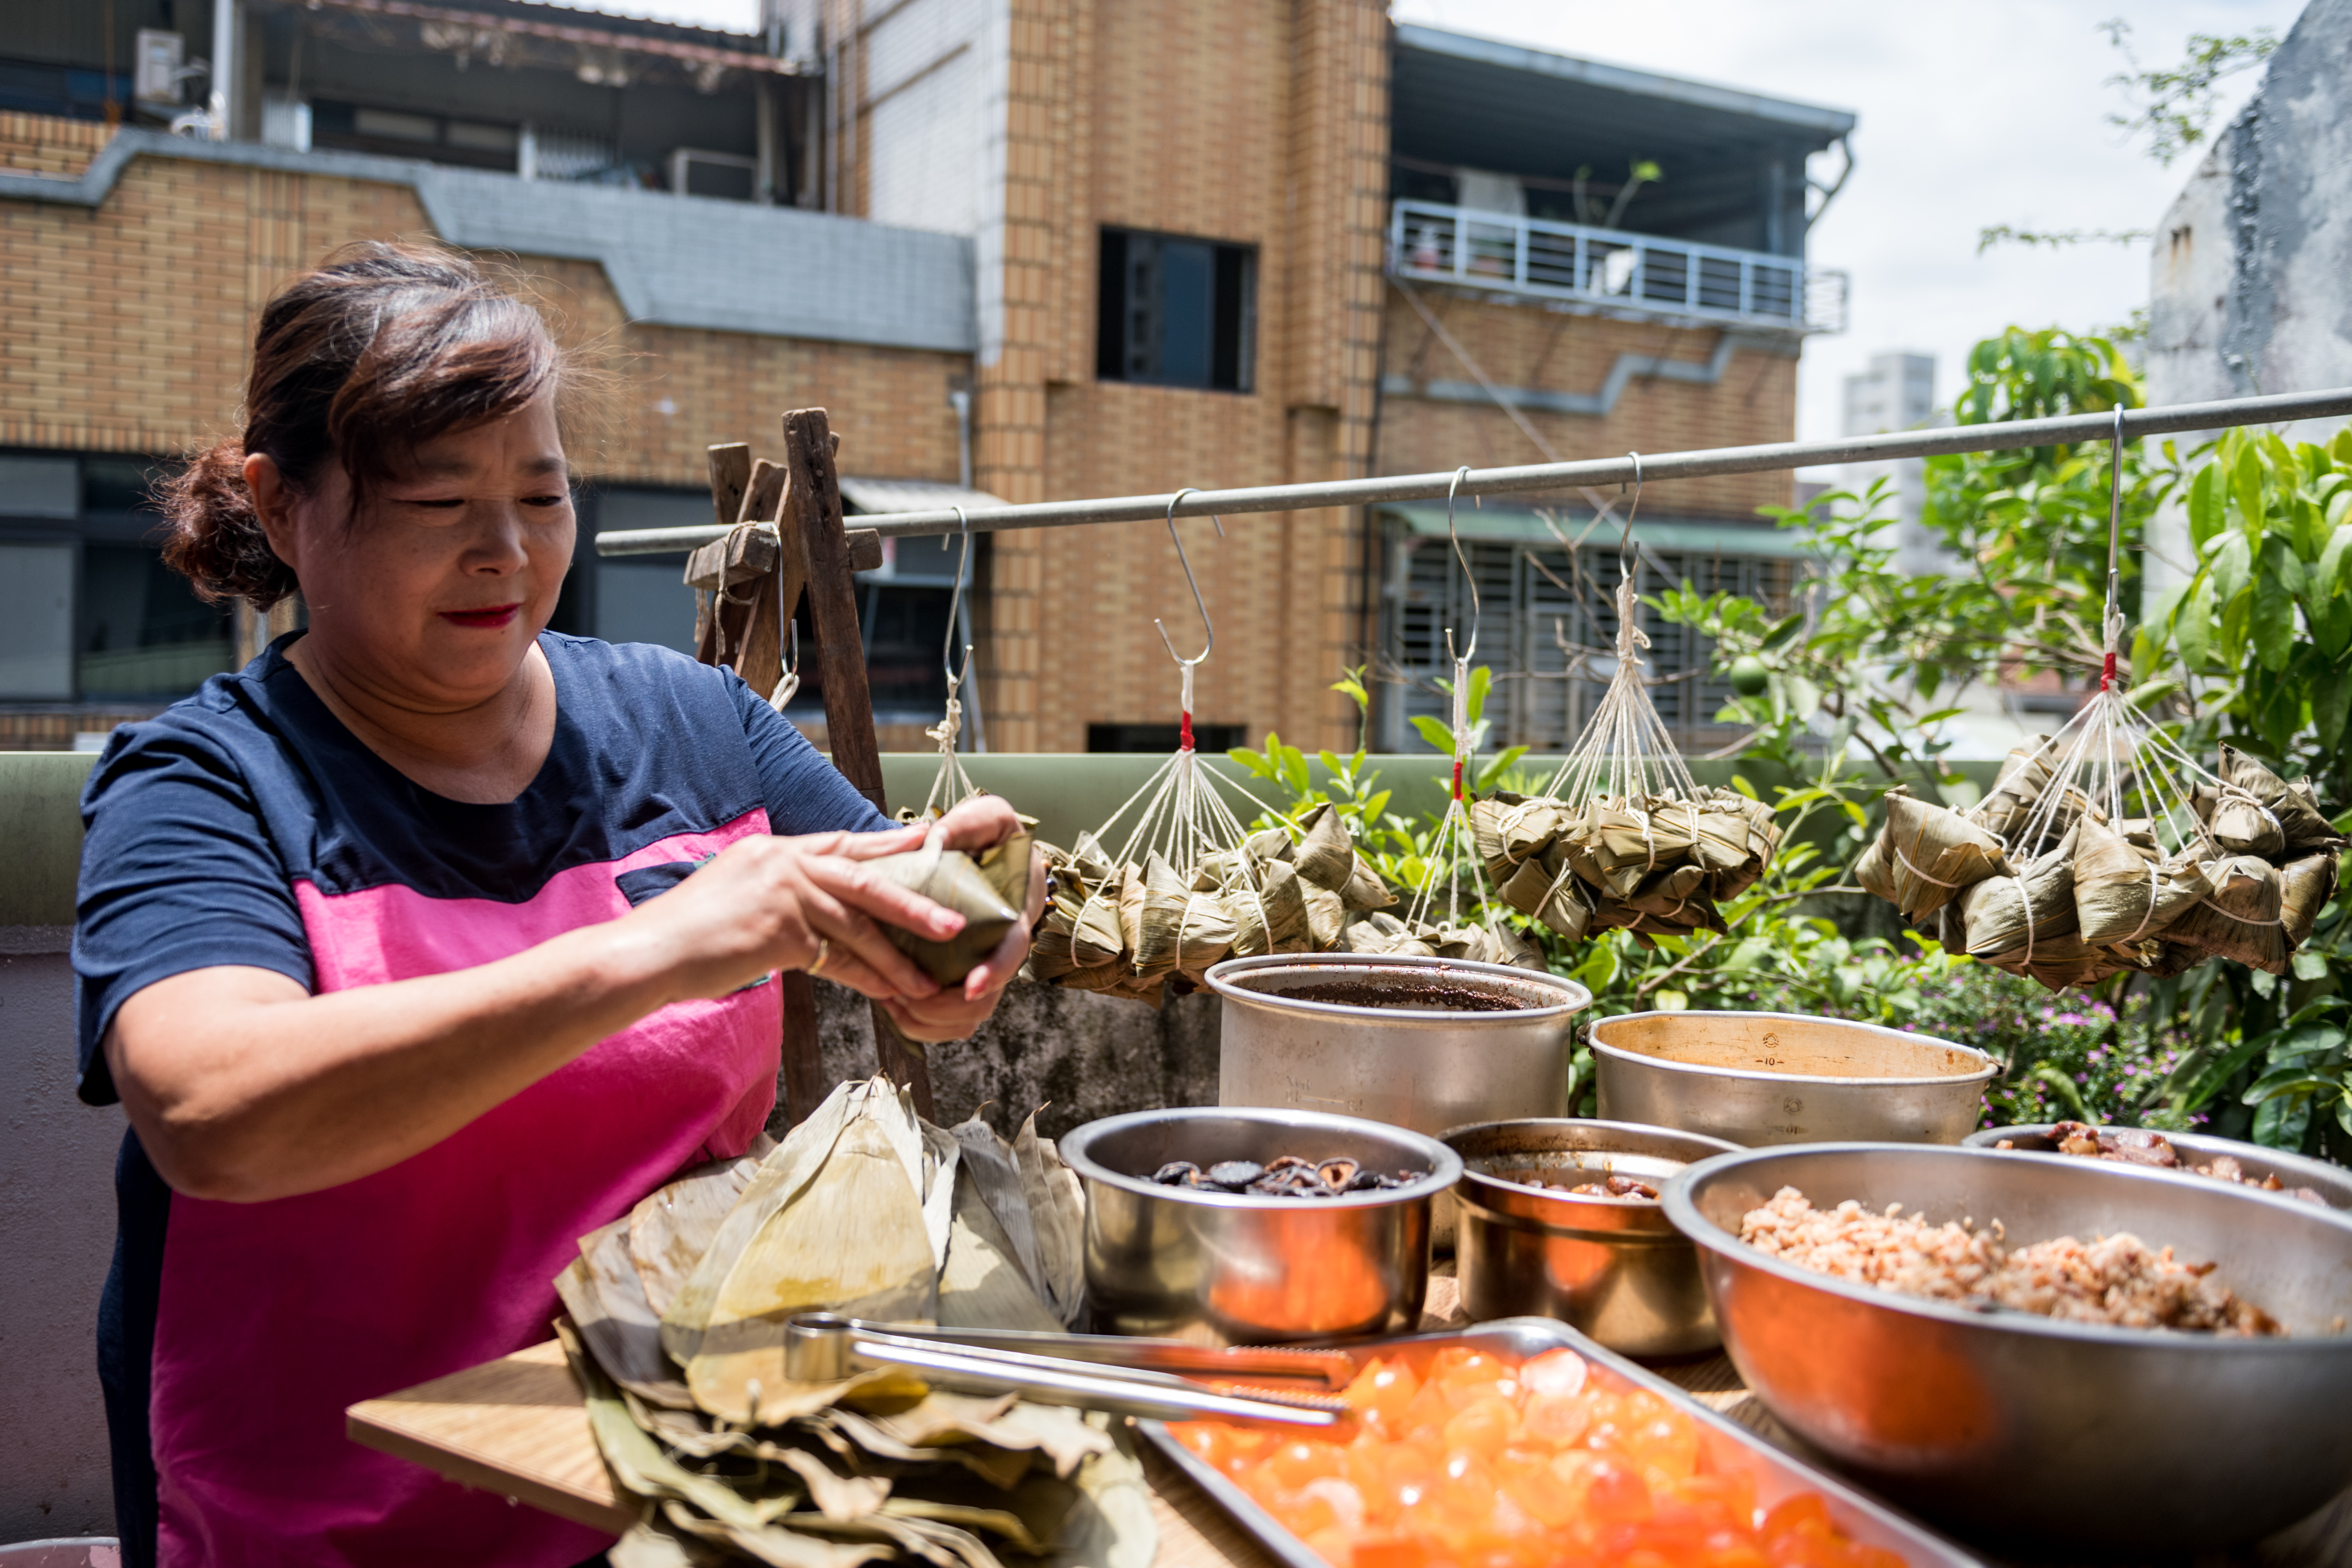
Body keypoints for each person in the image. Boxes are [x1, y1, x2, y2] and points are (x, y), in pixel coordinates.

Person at [72, 241, 1041, 1568]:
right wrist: (655, 948)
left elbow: (910, 945)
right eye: (436, 500)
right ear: (280, 502)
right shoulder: (206, 779)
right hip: (322, 1505)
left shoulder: (690, 721)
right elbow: (215, 1117)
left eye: (544, 494)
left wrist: (965, 914)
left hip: (671, 1475)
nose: (509, 553)